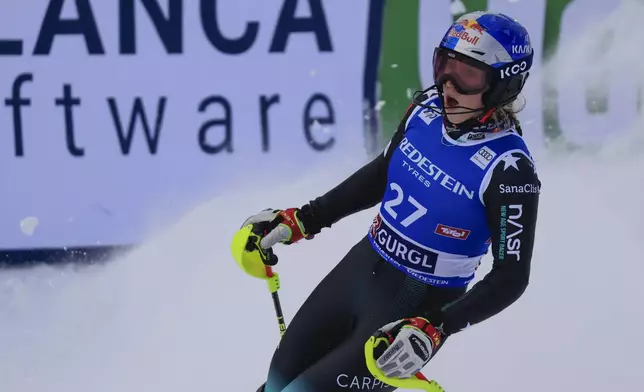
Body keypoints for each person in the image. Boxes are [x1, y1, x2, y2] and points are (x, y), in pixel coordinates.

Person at [242, 11, 541, 392]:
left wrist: (436, 327)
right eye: (444, 66)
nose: (448, 85)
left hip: (414, 305)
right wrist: (305, 219)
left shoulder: (510, 168)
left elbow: (511, 278)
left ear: (503, 86)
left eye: (467, 75)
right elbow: (384, 172)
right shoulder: (426, 110)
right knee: (276, 382)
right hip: (361, 268)